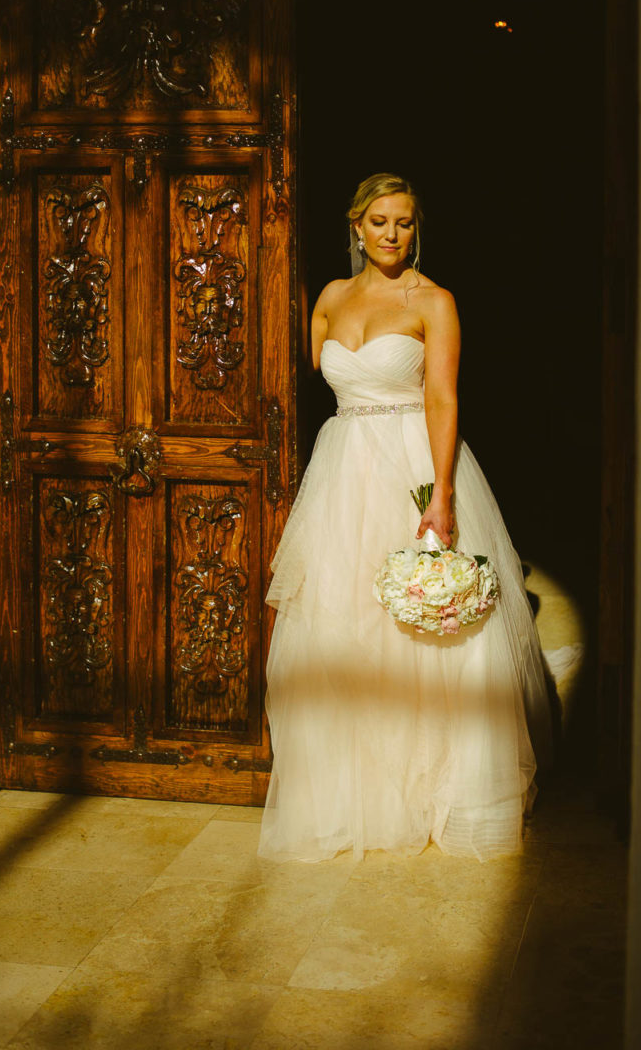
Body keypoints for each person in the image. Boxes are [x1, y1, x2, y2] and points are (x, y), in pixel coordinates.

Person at [257, 172, 553, 863]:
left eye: (406, 223)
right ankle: (353, 789)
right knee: (339, 620)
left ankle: (439, 787)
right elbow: (322, 374)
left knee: (425, 626)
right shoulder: (330, 298)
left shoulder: (435, 301)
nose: (393, 235)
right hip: (342, 464)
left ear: (418, 229)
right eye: (381, 222)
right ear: (355, 227)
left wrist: (442, 494)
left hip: (413, 462)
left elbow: (443, 398)